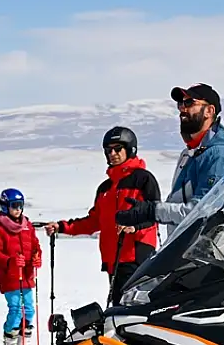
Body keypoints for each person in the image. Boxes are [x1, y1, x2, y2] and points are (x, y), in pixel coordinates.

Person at [45, 127, 160, 299]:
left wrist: (134, 227)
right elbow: (93, 221)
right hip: (114, 261)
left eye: (117, 149)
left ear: (130, 149)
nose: (112, 153)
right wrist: (62, 227)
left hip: (136, 257)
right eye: (108, 150)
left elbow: (155, 214)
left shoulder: (143, 179)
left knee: (133, 311)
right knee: (117, 311)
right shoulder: (105, 188)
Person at [114, 84, 224, 232]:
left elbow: (201, 213)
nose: (182, 109)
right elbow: (179, 204)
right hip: (183, 248)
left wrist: (152, 211)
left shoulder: (218, 155)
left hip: (200, 249)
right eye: (180, 103)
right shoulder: (192, 153)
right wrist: (145, 216)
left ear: (209, 111)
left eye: (189, 103)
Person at [0, 188, 44, 345]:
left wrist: (37, 257)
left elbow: (36, 246)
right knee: (16, 309)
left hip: (26, 275)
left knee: (29, 309)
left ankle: (23, 342)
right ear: (5, 206)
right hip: (10, 276)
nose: (18, 209)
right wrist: (11, 261)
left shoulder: (28, 226)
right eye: (14, 206)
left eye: (20, 205)